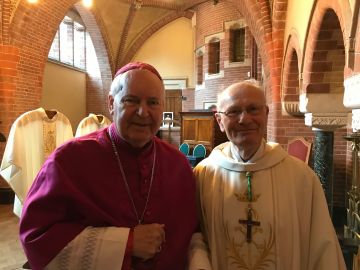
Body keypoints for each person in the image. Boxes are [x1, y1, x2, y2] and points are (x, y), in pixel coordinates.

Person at [19, 62, 198, 270]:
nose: (143, 112)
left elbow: (194, 233)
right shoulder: (68, 160)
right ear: (112, 103)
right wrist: (127, 243)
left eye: (153, 103)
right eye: (132, 100)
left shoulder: (178, 165)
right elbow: (36, 237)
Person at [192, 81, 346, 269]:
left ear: (266, 114)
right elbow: (194, 235)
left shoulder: (301, 178)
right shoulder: (203, 175)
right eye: (233, 111)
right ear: (219, 121)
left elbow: (322, 248)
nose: (244, 119)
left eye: (253, 109)